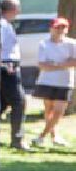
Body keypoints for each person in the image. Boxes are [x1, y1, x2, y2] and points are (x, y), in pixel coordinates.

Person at [32, 17, 76, 146]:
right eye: (57, 27)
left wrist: (54, 65)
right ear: (51, 28)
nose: (60, 30)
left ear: (67, 29)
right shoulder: (44, 44)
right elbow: (42, 64)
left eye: (63, 27)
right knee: (49, 109)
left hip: (65, 82)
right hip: (47, 81)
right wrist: (64, 64)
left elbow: (74, 62)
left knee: (59, 110)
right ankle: (54, 136)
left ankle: (41, 136)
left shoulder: (72, 44)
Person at [0, 0, 27, 150]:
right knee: (19, 102)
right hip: (7, 67)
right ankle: (17, 139)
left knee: (2, 104)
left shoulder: (6, 24)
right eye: (17, 8)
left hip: (9, 66)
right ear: (12, 9)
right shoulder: (2, 25)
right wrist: (3, 65)